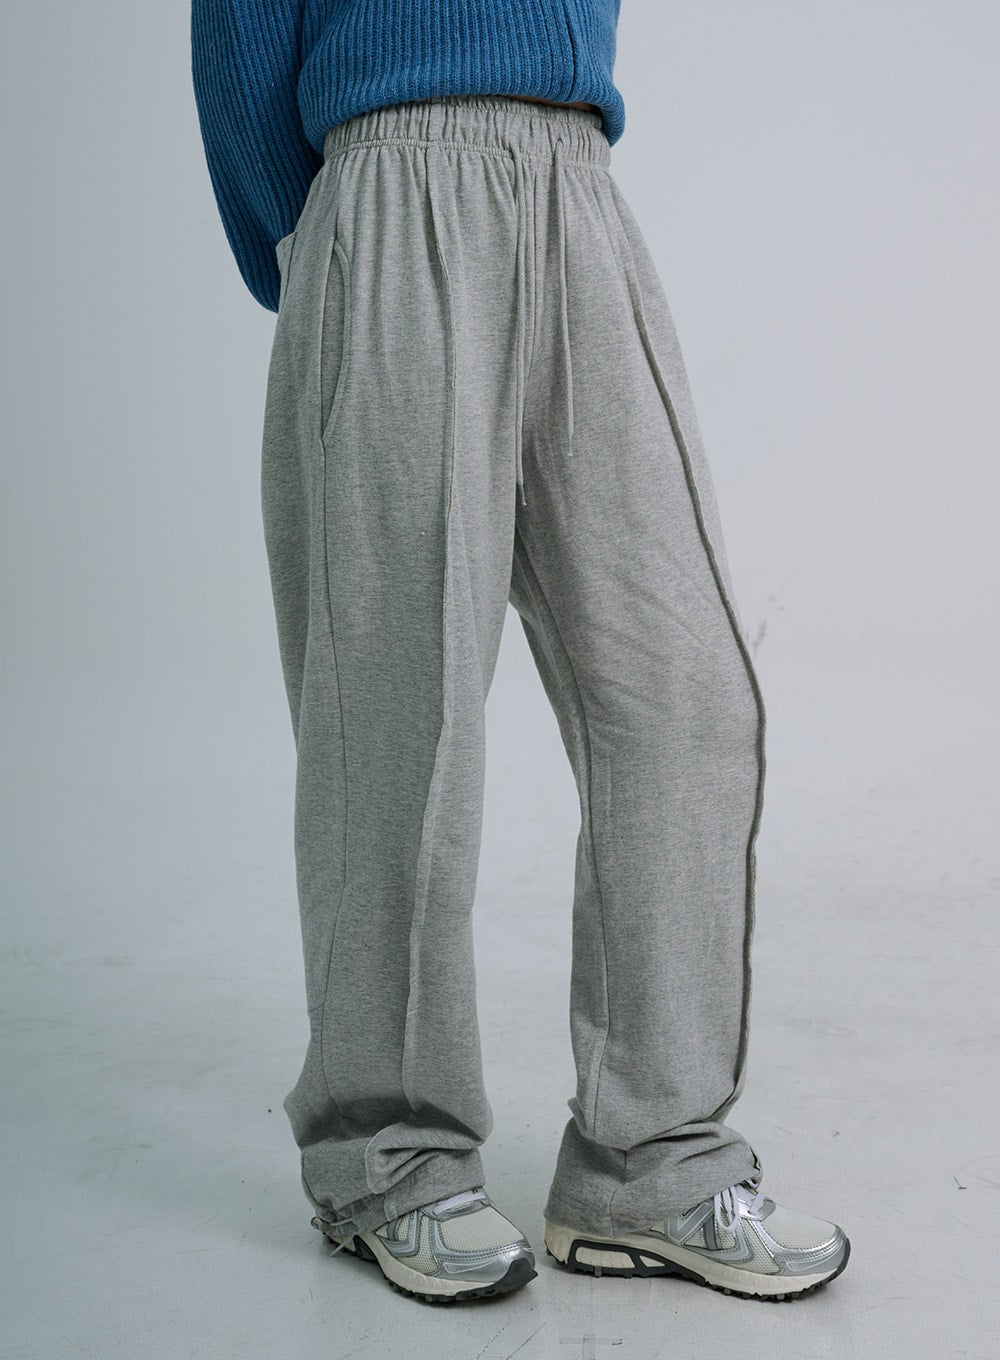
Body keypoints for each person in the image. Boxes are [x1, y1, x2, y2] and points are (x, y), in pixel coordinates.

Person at [190, 0, 850, 1306]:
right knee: (401, 715)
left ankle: (648, 1162)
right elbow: (239, 39)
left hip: (579, 191)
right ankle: (387, 1157)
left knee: (686, 694)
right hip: (388, 182)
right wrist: (324, 241)